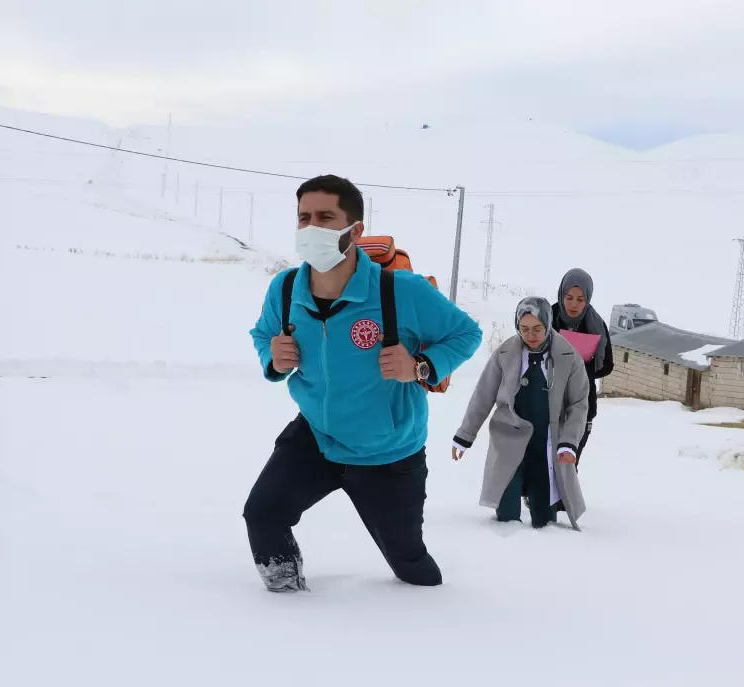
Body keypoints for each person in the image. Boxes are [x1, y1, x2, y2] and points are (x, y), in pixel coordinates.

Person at [244, 175, 482, 592]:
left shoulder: (400, 291)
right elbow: (263, 333)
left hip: (388, 453)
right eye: (304, 218)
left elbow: (466, 334)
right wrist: (272, 356)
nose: (311, 227)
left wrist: (421, 367)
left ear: (355, 231)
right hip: (317, 436)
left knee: (411, 567)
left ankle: (432, 627)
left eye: (325, 217)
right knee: (262, 513)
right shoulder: (284, 289)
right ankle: (283, 603)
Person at [451, 297, 589, 529]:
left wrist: (568, 443)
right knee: (506, 514)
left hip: (545, 444)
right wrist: (465, 435)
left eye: (537, 329)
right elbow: (483, 395)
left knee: (545, 520)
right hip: (508, 440)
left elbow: (578, 403)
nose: (530, 335)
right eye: (524, 329)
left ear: (548, 324)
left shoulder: (569, 357)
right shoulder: (505, 354)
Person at [551, 268, 613, 463]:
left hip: (582, 404)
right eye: (569, 297)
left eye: (580, 299)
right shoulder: (548, 317)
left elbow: (607, 366)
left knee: (568, 464)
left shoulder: (596, 324)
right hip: (547, 402)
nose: (574, 304)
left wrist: (581, 367)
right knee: (543, 466)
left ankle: (567, 494)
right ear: (562, 294)